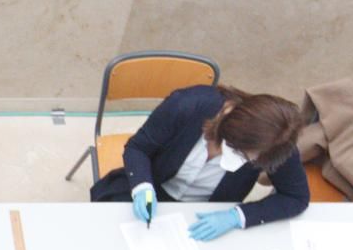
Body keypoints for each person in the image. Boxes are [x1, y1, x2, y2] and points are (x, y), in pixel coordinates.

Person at [91, 84, 310, 240]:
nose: (248, 162)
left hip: (205, 213)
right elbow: (138, 148)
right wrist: (142, 186)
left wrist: (237, 216)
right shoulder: (188, 105)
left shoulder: (277, 143)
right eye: (242, 154)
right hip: (153, 188)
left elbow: (296, 197)